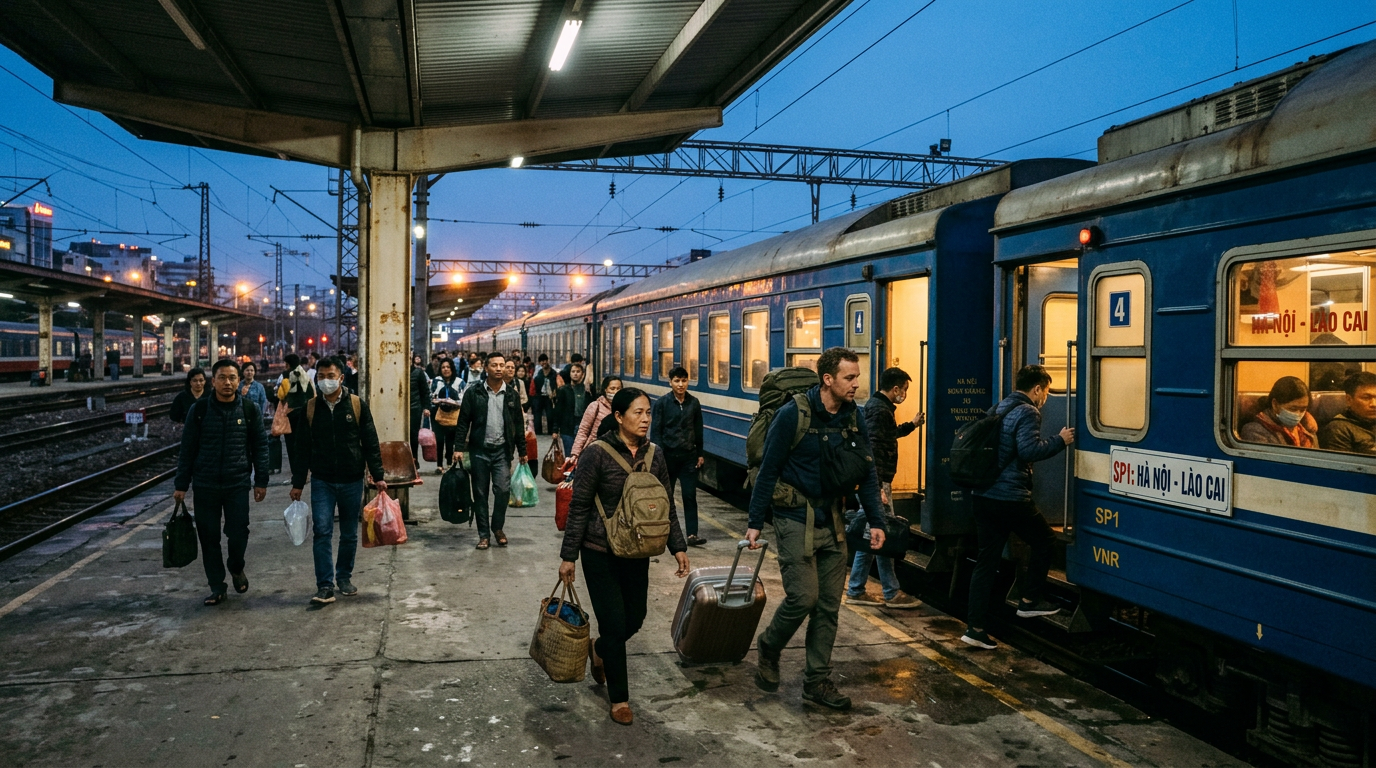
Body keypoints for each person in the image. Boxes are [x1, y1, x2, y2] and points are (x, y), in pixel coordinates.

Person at [747, 347, 888, 711]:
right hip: (795, 517)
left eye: (857, 377)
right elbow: (769, 469)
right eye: (849, 378)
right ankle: (769, 646)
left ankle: (816, 681)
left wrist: (876, 521)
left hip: (834, 518)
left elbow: (866, 471)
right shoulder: (793, 414)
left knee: (827, 607)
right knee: (803, 598)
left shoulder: (853, 416)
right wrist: (754, 523)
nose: (856, 384)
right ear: (828, 379)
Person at [558, 387, 690, 725]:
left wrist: (678, 547)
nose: (645, 419)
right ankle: (619, 699)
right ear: (618, 417)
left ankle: (600, 649)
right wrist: (568, 556)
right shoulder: (596, 454)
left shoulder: (655, 455)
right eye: (638, 413)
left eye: (648, 412)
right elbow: (579, 507)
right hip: (598, 551)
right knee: (615, 624)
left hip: (637, 551)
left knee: (636, 618)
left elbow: (666, 505)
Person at [963, 364, 1075, 651]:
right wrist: (1060, 441)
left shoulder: (999, 407)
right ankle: (1029, 600)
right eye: (1046, 392)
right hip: (1009, 497)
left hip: (983, 495)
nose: (1045, 398)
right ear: (1037, 389)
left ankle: (975, 628)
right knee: (1045, 540)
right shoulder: (1028, 412)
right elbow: (1028, 450)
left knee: (986, 563)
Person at [288, 357, 386, 605]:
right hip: (322, 480)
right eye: (320, 376)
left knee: (349, 533)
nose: (325, 381)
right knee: (322, 530)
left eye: (330, 376)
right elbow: (301, 448)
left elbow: (370, 442)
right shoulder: (311, 408)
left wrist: (378, 475)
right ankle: (325, 585)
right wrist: (298, 482)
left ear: (341, 378)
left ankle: (344, 577)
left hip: (352, 479)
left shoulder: (356, 405)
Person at [173, 359, 270, 605]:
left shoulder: (249, 409)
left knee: (238, 532)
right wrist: (181, 484)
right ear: (213, 381)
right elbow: (187, 449)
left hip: (237, 483)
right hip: (205, 484)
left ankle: (236, 566)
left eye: (232, 377)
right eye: (222, 378)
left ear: (239, 380)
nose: (228, 382)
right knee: (209, 537)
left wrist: (261, 480)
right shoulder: (199, 410)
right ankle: (217, 586)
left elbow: (260, 446)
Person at [847, 367, 925, 609]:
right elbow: (873, 449)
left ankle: (859, 589)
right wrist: (877, 486)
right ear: (895, 388)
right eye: (904, 390)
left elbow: (888, 436)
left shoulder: (879, 408)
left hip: (877, 482)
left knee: (875, 534)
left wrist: (912, 425)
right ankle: (888, 592)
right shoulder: (880, 410)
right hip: (877, 483)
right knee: (881, 533)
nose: (905, 394)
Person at [454, 352, 524, 550]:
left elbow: (518, 424)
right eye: (495, 365)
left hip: (502, 451)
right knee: (480, 493)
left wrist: (523, 450)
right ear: (486, 368)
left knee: (503, 490)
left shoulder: (511, 394)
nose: (499, 368)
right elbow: (463, 422)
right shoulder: (474, 392)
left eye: (502, 365)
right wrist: (458, 448)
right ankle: (483, 534)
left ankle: (497, 527)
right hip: (479, 450)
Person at [651, 366, 706, 546]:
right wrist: (658, 455)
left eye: (684, 381)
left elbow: (698, 429)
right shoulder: (662, 403)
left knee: (689, 496)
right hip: (668, 456)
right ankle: (663, 531)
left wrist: (700, 453)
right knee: (666, 496)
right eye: (677, 381)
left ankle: (692, 534)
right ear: (670, 382)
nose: (681, 384)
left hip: (688, 456)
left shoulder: (694, 403)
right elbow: (656, 431)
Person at [1239, 376, 1317, 448]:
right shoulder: (1254, 431)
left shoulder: (1306, 428)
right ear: (1275, 404)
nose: (1298, 414)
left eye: (1302, 409)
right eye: (1293, 409)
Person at [1319, 371, 1376, 454]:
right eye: (1366, 398)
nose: (1374, 404)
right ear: (1349, 400)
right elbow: (1343, 462)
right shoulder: (1338, 428)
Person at [569, 376, 622, 465]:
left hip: (615, 455)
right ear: (605, 390)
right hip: (593, 452)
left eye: (618, 389)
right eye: (612, 389)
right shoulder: (595, 406)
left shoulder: (624, 409)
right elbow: (583, 431)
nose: (615, 392)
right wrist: (575, 454)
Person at [427, 358, 463, 473]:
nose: (446, 369)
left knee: (450, 440)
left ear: (452, 368)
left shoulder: (459, 382)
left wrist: (453, 402)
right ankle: (439, 465)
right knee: (439, 439)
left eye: (448, 367)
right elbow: (430, 396)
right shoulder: (436, 381)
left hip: (453, 415)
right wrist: (437, 401)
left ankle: (449, 463)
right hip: (438, 414)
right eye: (443, 367)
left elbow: (463, 399)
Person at [553, 362, 591, 459]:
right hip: (567, 427)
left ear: (583, 374)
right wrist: (555, 430)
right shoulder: (564, 390)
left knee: (583, 456)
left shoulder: (588, 391)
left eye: (578, 371)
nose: (575, 374)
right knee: (570, 456)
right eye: (573, 371)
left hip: (583, 427)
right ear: (570, 374)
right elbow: (558, 411)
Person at [410, 353, 431, 466]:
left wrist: (426, 407)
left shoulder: (418, 373)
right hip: (410, 407)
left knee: (413, 435)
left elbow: (424, 391)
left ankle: (414, 460)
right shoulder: (396, 372)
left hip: (415, 408)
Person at [532, 354, 558, 434]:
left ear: (547, 361)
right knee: (537, 415)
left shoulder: (554, 373)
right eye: (541, 361)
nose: (543, 363)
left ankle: (550, 432)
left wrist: (555, 392)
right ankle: (538, 432)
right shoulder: (538, 373)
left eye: (545, 360)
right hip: (539, 396)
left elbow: (557, 384)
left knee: (550, 415)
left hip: (549, 397)